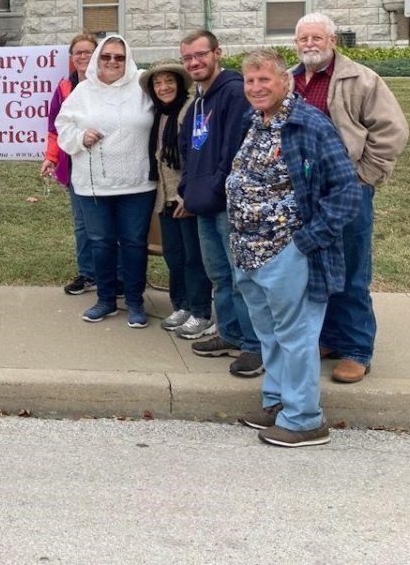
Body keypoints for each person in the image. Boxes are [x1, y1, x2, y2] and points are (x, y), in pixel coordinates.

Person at [229, 49, 360, 447]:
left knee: (297, 336)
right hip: (249, 250)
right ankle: (276, 401)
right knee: (269, 334)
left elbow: (346, 193)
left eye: (264, 80)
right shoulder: (255, 121)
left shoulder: (309, 124)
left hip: (288, 251)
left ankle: (304, 418)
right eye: (250, 81)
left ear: (285, 80)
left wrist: (304, 241)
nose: (255, 88)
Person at [292, 13, 409, 383]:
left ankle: (357, 348)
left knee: (353, 267)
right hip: (306, 193)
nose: (310, 44)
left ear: (332, 40)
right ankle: (330, 338)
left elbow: (392, 130)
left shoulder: (360, 79)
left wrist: (364, 176)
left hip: (348, 189)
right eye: (303, 39)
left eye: (317, 38)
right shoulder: (291, 80)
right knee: (320, 268)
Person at [177, 29, 263, 377]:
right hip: (204, 202)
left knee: (243, 277)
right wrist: (187, 187)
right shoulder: (199, 100)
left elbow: (234, 150)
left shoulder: (233, 92)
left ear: (217, 53)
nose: (195, 62)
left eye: (200, 54)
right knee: (220, 275)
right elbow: (189, 148)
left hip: (229, 202)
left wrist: (215, 186)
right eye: (188, 58)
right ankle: (229, 333)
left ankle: (254, 346)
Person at [56, 34, 156, 328]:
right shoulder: (83, 91)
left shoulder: (142, 87)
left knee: (134, 243)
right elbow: (61, 126)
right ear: (98, 58)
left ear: (128, 60)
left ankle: (136, 302)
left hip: (136, 183)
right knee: (100, 242)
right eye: (107, 56)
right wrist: (79, 137)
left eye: (119, 57)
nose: (112, 62)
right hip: (94, 183)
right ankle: (106, 300)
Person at [140, 60, 213, 336]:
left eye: (169, 81)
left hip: (186, 198)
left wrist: (188, 195)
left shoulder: (191, 111)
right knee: (175, 256)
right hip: (166, 198)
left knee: (194, 258)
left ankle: (201, 312)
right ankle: (181, 305)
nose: (163, 87)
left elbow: (199, 155)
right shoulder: (160, 114)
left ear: (180, 83)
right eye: (157, 83)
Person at [41, 33, 101, 295]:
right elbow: (55, 128)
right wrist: (51, 157)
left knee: (110, 223)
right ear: (71, 57)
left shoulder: (107, 84)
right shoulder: (65, 86)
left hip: (104, 162)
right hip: (75, 163)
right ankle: (88, 273)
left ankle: (118, 276)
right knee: (82, 223)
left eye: (88, 52)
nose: (83, 57)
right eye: (78, 52)